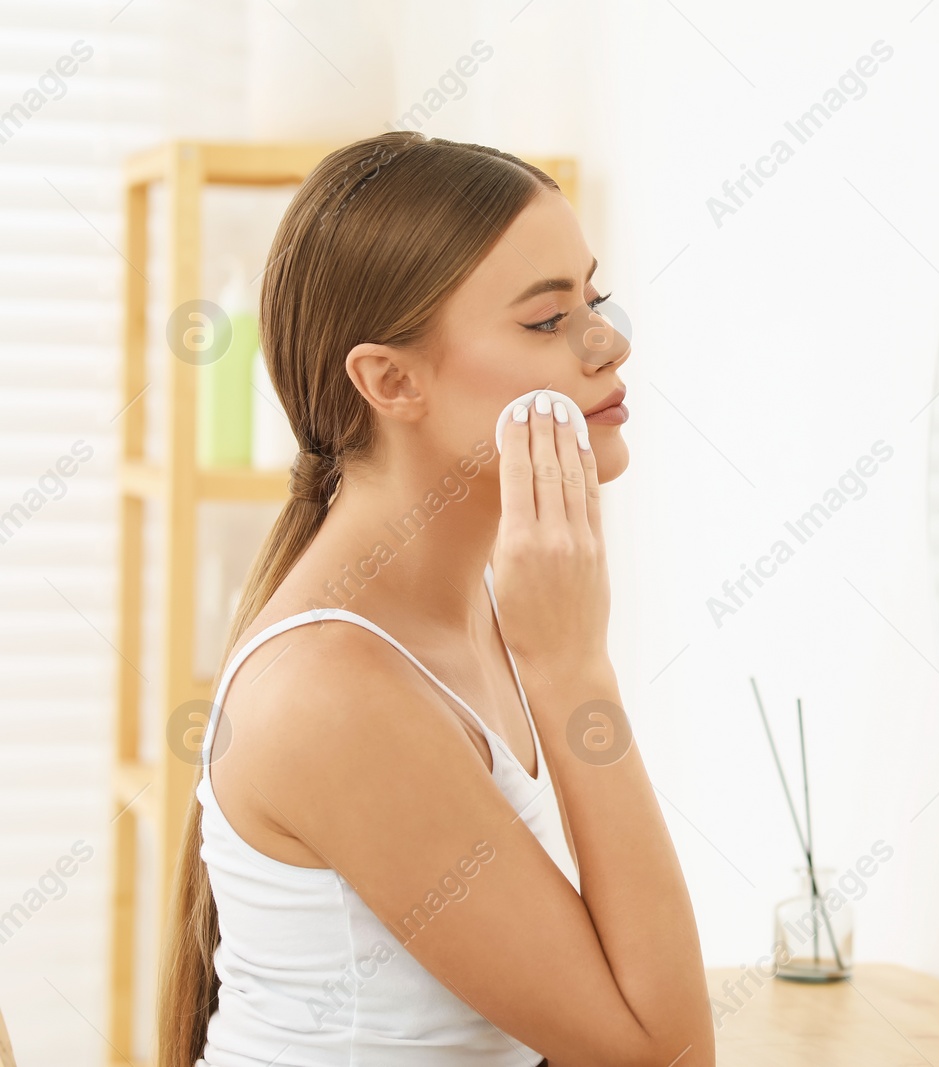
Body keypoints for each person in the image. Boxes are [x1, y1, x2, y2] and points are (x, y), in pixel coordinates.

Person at [158, 131, 713, 1066]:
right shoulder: (336, 690)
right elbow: (664, 1056)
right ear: (390, 381)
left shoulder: (485, 613)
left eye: (596, 297)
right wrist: (574, 668)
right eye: (546, 321)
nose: (607, 340)